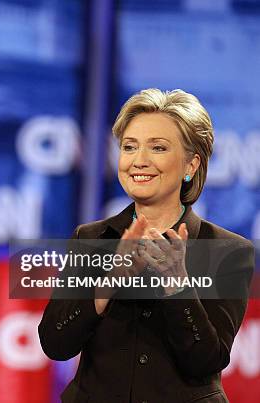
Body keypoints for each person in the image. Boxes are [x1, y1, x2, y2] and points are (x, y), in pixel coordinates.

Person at [38, 89, 254, 402]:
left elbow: (205, 361)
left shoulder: (228, 251)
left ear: (190, 166)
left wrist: (177, 285)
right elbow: (55, 343)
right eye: (129, 147)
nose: (139, 161)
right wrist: (108, 283)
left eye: (158, 148)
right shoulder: (91, 239)